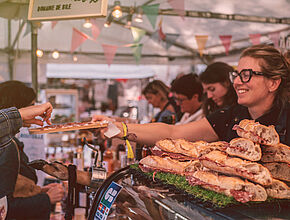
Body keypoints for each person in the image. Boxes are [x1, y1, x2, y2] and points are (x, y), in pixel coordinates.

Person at [92, 44, 289, 147]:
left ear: (273, 82)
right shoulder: (232, 116)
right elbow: (173, 133)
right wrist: (118, 128)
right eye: (236, 75)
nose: (237, 82)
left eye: (246, 75)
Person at [0, 81, 65, 220]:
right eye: (31, 106)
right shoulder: (8, 146)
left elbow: (12, 189)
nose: (35, 112)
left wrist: (37, 191)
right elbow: (5, 207)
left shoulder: (9, 143)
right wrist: (46, 199)